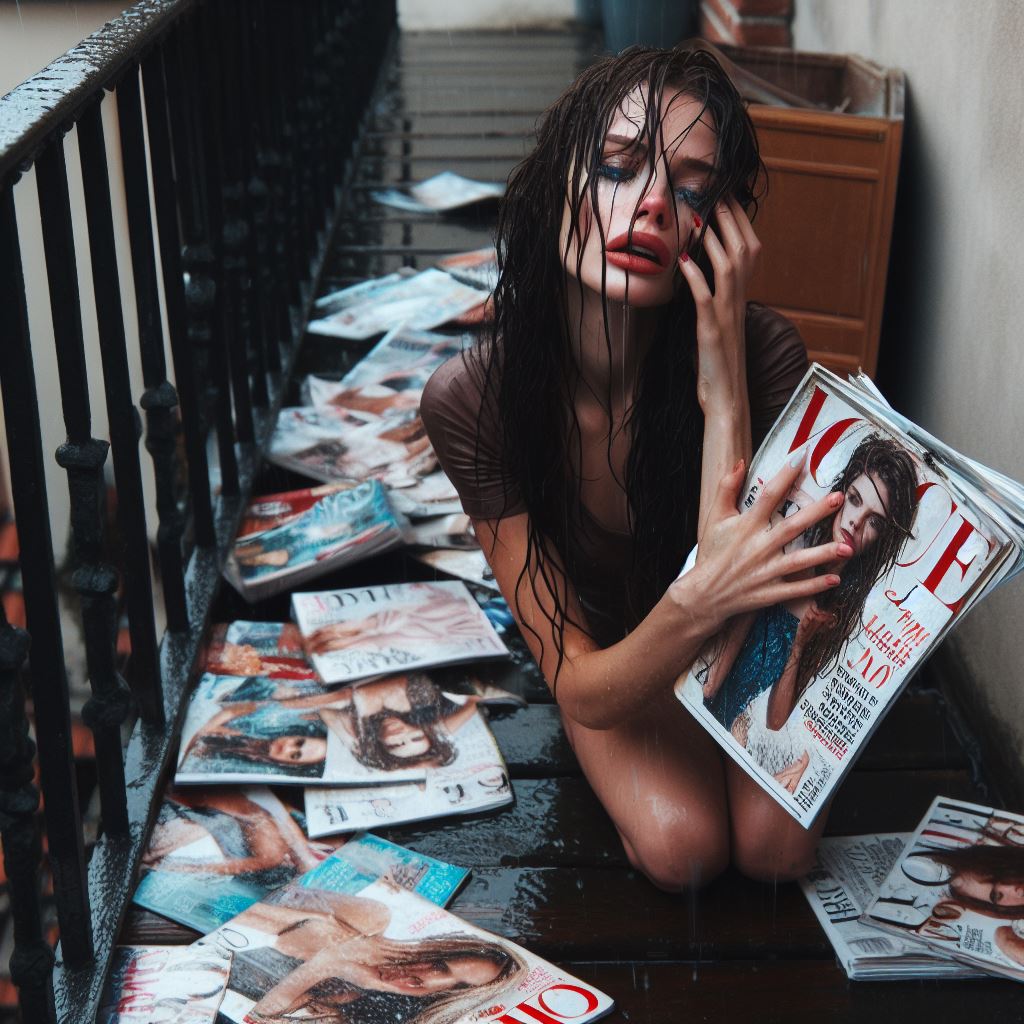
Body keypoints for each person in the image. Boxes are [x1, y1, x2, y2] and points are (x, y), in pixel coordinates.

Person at [421, 45, 856, 889]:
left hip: (744, 638)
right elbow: (582, 687)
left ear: (719, 230)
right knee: (682, 849)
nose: (653, 204)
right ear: (556, 187)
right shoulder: (474, 398)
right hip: (614, 654)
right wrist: (698, 600)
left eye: (691, 190)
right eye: (618, 167)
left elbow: (745, 617)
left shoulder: (764, 353)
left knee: (778, 850)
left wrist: (724, 388)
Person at [702, 435, 919, 789]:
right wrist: (711, 687)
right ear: (842, 492)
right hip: (709, 696)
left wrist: (799, 646)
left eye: (874, 522)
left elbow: (776, 720)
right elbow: (719, 665)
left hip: (742, 729)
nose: (855, 522)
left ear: (883, 539)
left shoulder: (839, 611)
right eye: (854, 500)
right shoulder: (795, 540)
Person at [228, 888, 524, 1023]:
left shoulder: (351, 1008)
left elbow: (256, 1017)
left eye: (457, 986)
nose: (423, 975)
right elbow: (230, 906)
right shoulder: (369, 920)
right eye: (436, 963)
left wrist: (329, 963)